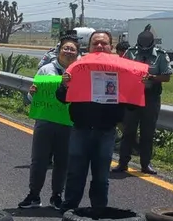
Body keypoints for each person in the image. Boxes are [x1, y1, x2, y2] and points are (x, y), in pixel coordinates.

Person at [56, 30, 142, 211]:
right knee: (75, 173)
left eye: (104, 43)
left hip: (106, 132)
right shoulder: (77, 67)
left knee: (101, 176)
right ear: (89, 47)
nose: (100, 46)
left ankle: (99, 212)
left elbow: (133, 106)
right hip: (81, 129)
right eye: (96, 43)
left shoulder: (123, 71)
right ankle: (68, 210)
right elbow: (62, 98)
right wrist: (64, 84)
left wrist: (139, 84)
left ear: (111, 47)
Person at [19, 35, 79, 209]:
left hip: (68, 123)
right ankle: (34, 195)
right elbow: (31, 98)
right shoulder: (46, 70)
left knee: (62, 161)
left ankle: (57, 196)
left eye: (72, 49)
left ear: (77, 53)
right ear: (59, 50)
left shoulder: (80, 72)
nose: (68, 52)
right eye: (65, 48)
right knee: (39, 160)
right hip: (45, 121)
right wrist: (32, 92)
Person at [115, 28, 171, 175]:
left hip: (150, 98)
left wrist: (151, 77)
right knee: (128, 131)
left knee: (148, 132)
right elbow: (121, 70)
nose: (143, 50)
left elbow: (166, 76)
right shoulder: (131, 53)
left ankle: (146, 164)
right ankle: (123, 163)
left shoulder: (160, 55)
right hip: (132, 96)